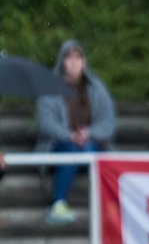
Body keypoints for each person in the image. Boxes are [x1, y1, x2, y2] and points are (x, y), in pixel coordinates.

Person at [35, 40, 117, 224]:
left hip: (91, 145)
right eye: (69, 58)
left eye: (78, 57)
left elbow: (109, 121)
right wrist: (69, 135)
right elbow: (45, 123)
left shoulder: (96, 88)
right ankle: (58, 204)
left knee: (90, 151)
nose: (74, 62)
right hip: (58, 146)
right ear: (62, 61)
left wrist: (89, 133)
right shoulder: (48, 88)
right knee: (71, 150)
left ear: (84, 61)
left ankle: (109, 207)